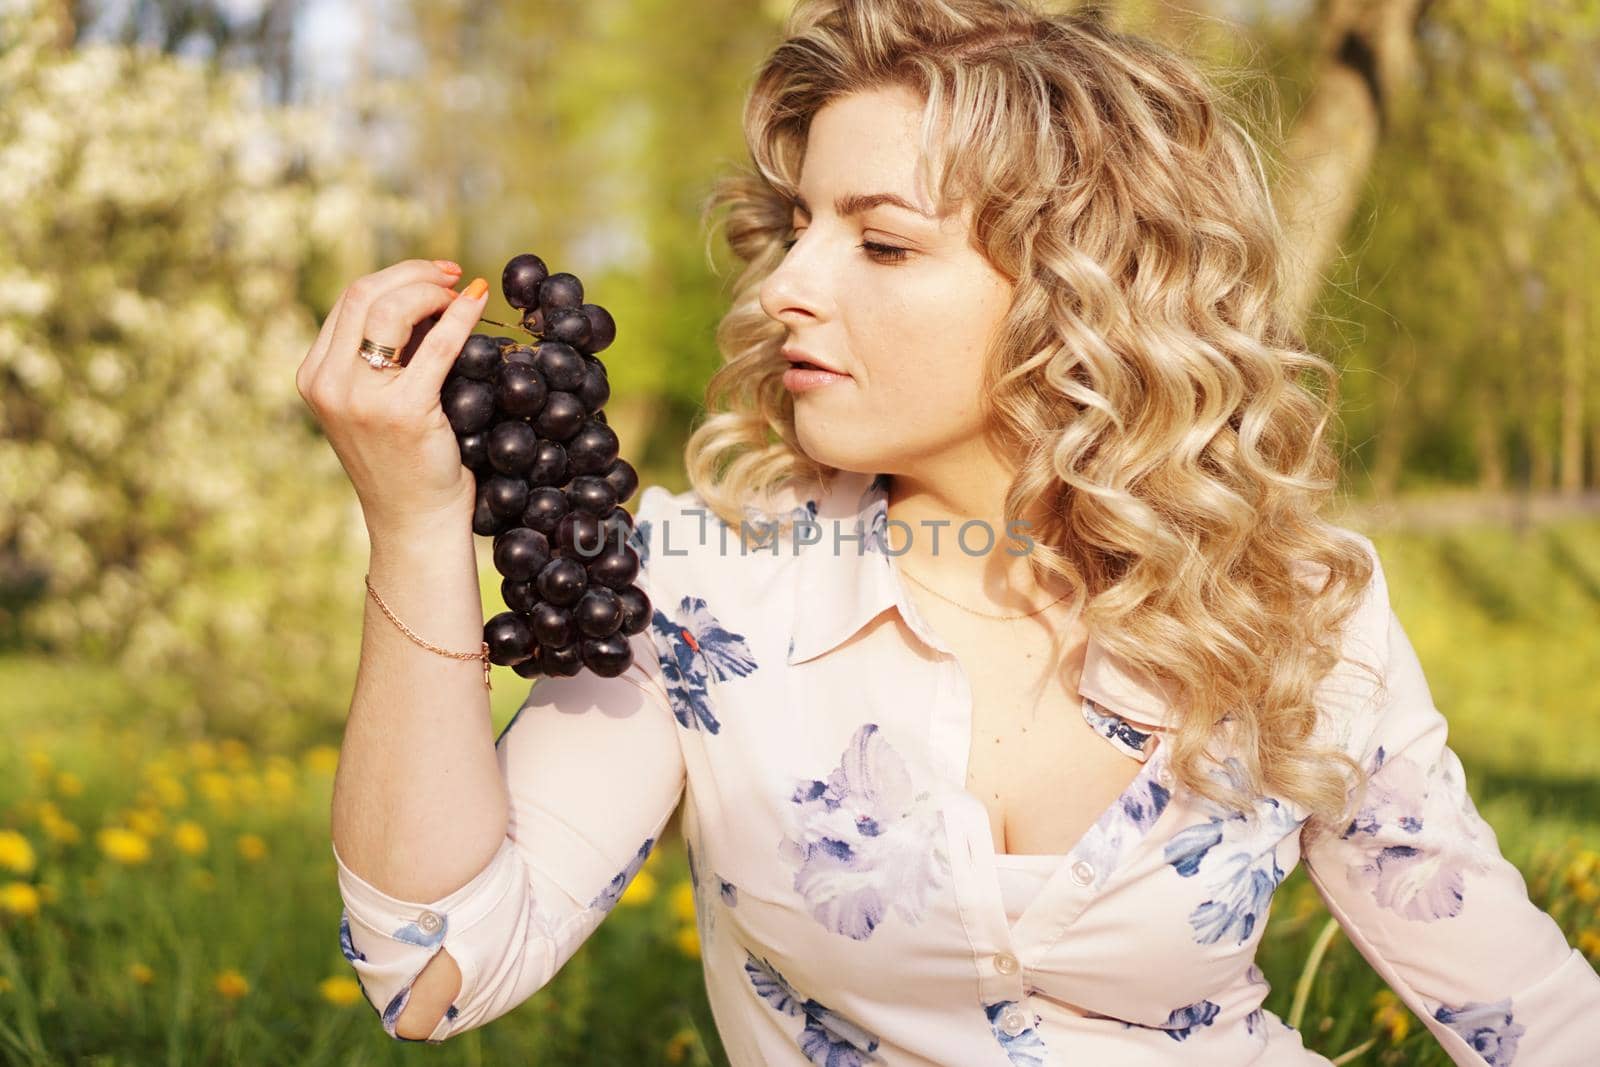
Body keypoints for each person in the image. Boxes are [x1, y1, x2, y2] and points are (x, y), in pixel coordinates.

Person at [298, 0, 1600, 1062]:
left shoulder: (1299, 605)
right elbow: (432, 971)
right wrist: (418, 526)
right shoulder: (705, 594)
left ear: (1079, 293)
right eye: (798, 226)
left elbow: (1528, 1017)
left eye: (880, 243)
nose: (787, 286)